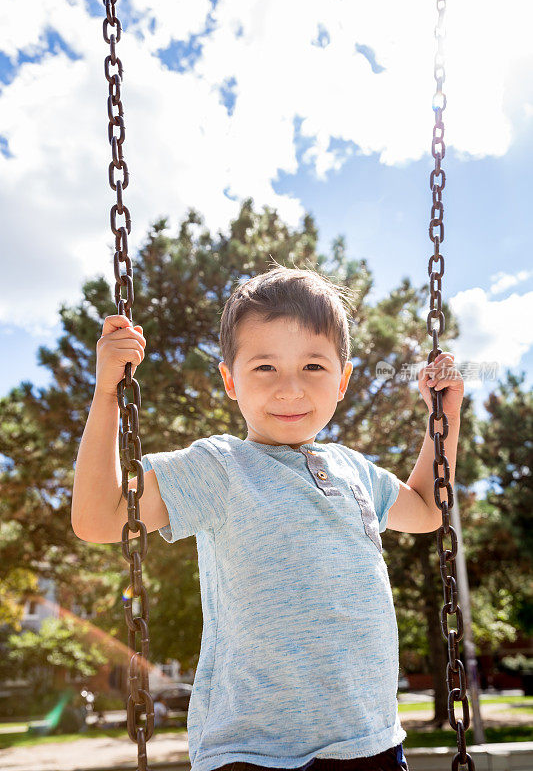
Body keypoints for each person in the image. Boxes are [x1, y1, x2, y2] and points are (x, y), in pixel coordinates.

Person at [73, 262, 464, 771]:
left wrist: (445, 415)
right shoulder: (220, 468)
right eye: (265, 368)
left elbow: (429, 508)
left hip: (371, 742)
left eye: (313, 367)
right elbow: (99, 517)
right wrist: (108, 393)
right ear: (230, 380)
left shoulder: (353, 469)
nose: (290, 389)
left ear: (342, 380)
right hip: (256, 752)